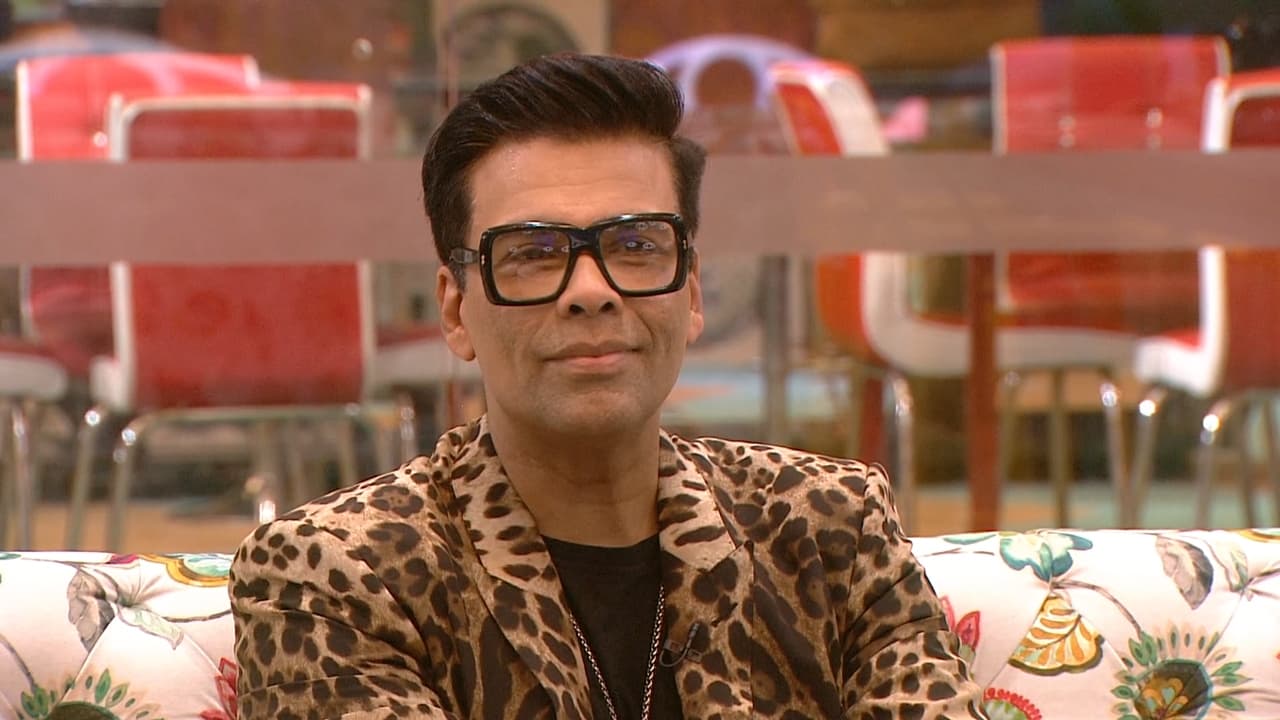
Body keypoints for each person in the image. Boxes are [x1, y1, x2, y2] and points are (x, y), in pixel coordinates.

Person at [230, 52, 987, 720]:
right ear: (456, 310)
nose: (591, 291)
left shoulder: (831, 531)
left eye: (635, 245)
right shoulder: (338, 576)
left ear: (691, 292)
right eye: (532, 254)